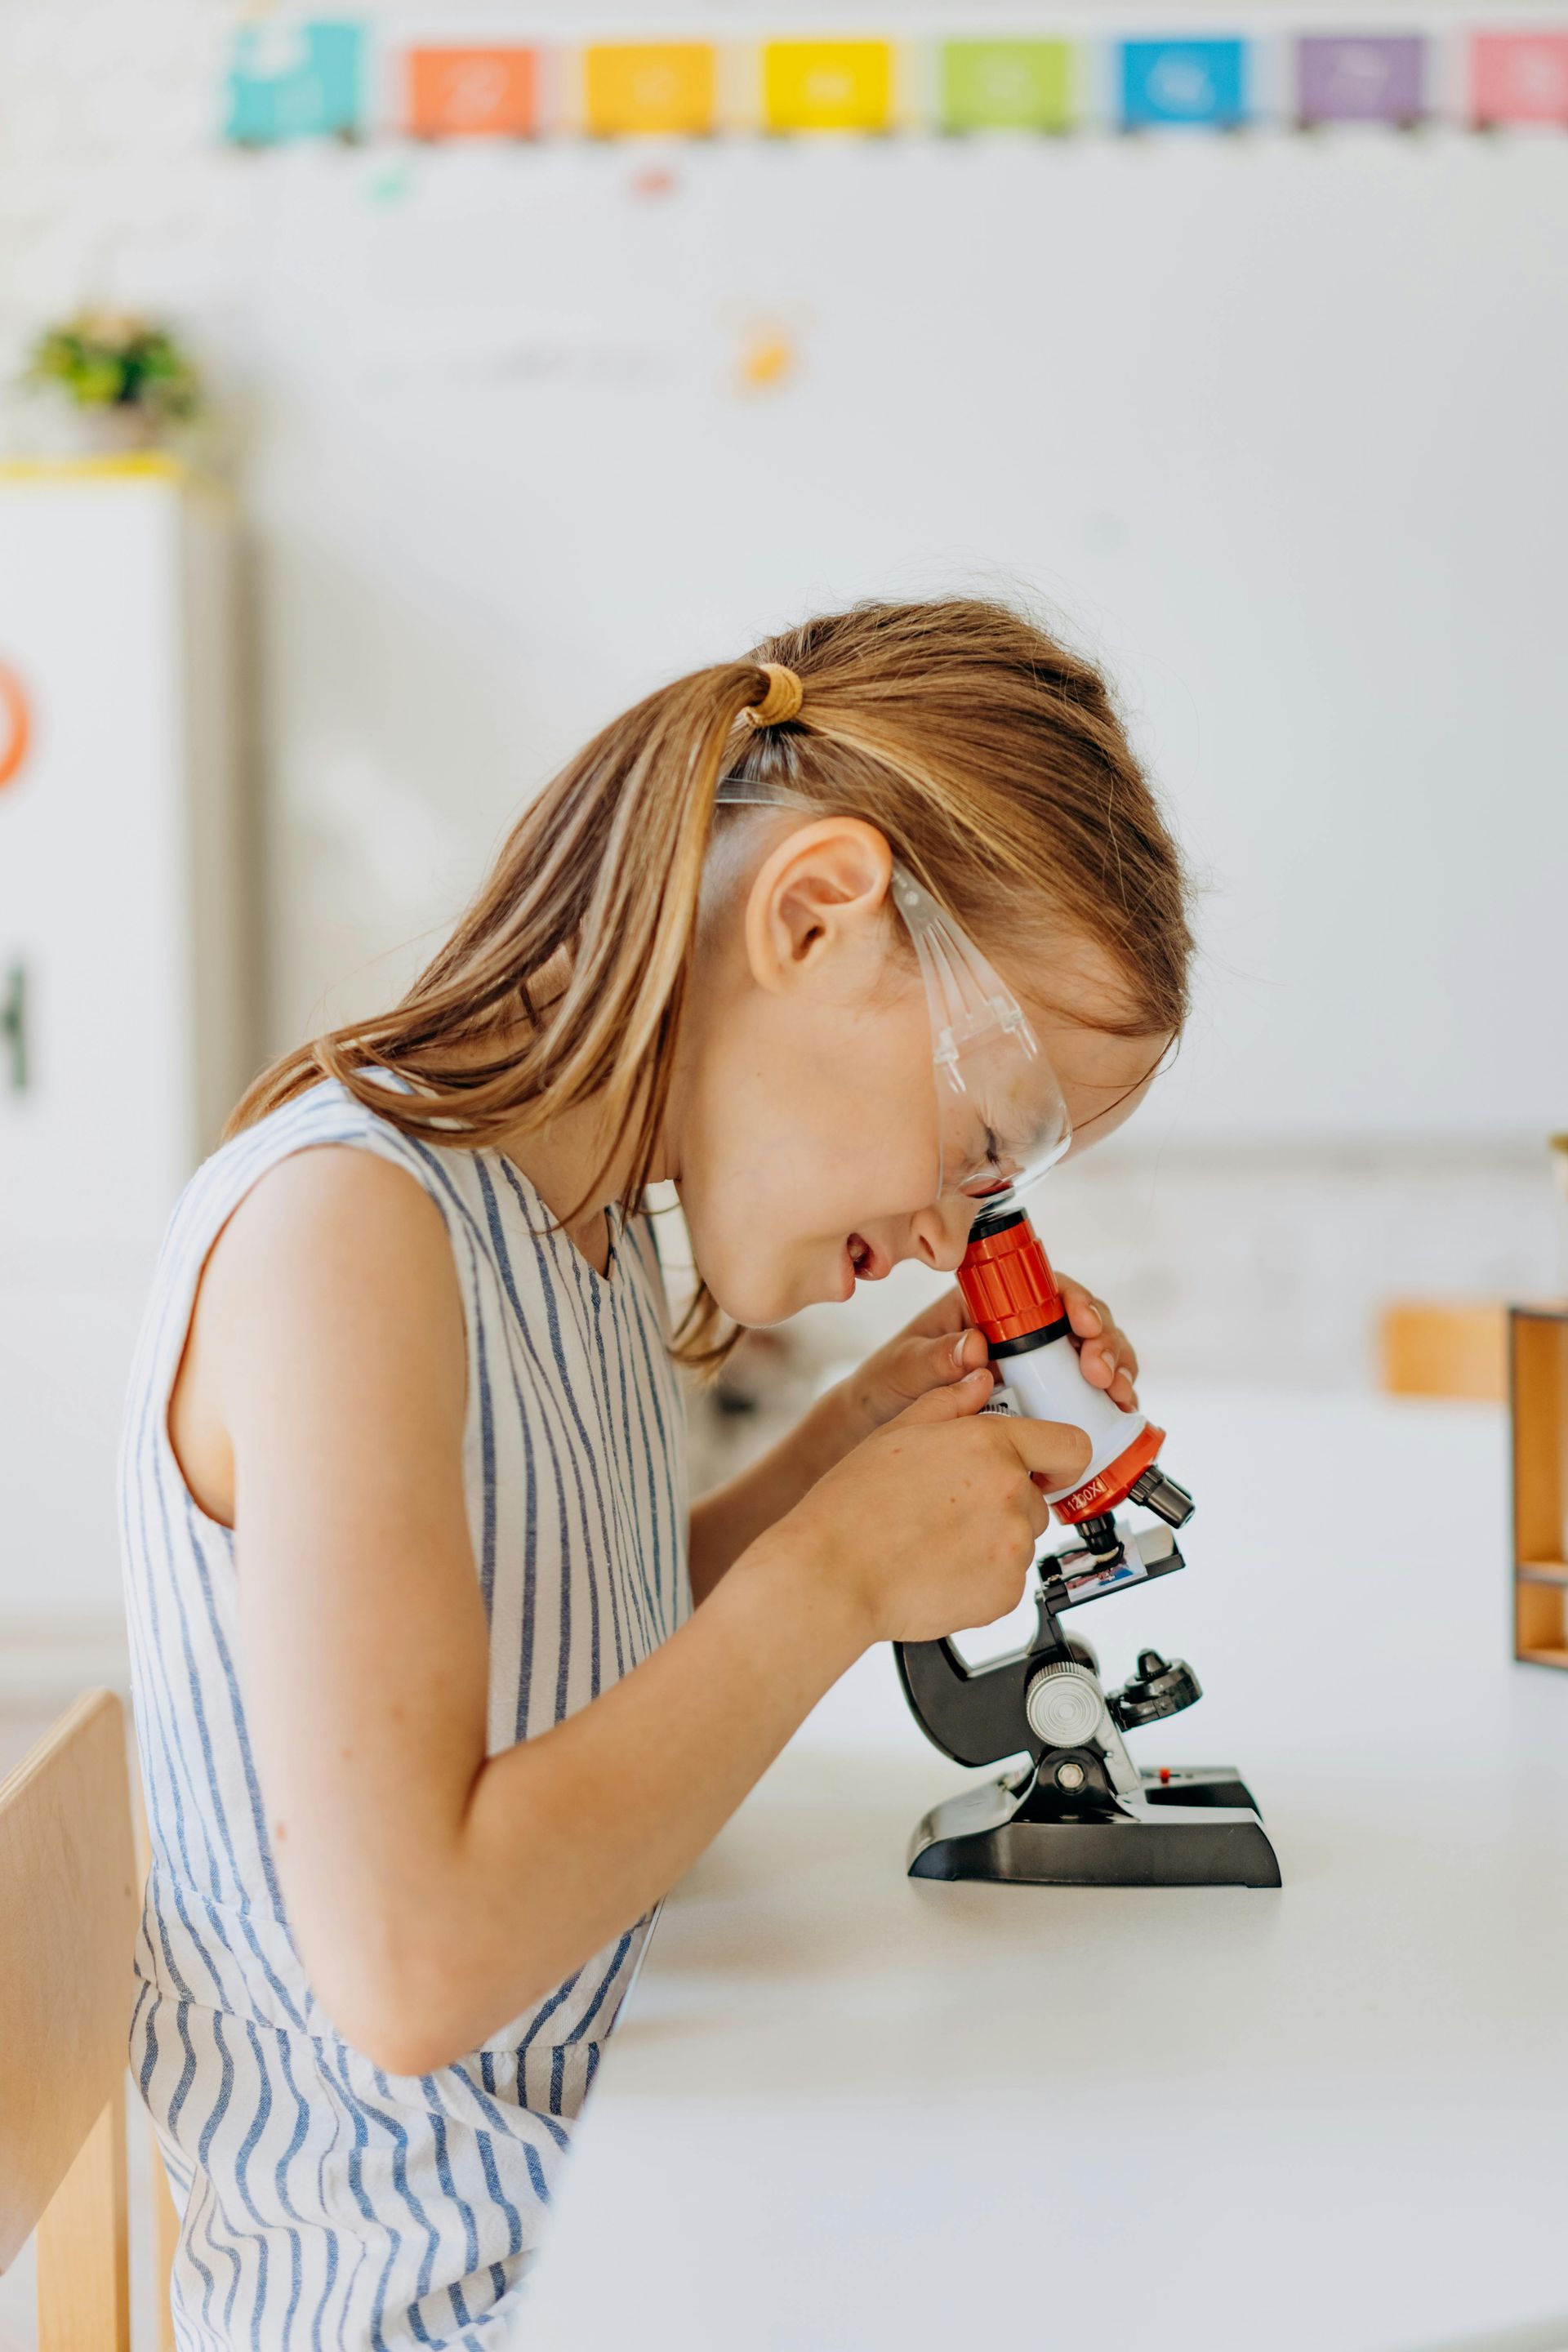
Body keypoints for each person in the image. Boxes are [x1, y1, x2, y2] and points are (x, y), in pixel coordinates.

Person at [122, 595, 1191, 2349]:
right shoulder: (347, 1234)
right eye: (985, 1137)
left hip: (620, 2198)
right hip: (447, 2300)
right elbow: (413, 1966)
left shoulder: (587, 1228)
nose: (956, 1235)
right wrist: (833, 1577)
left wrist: (845, 1454)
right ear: (815, 916)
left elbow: (564, 1661)